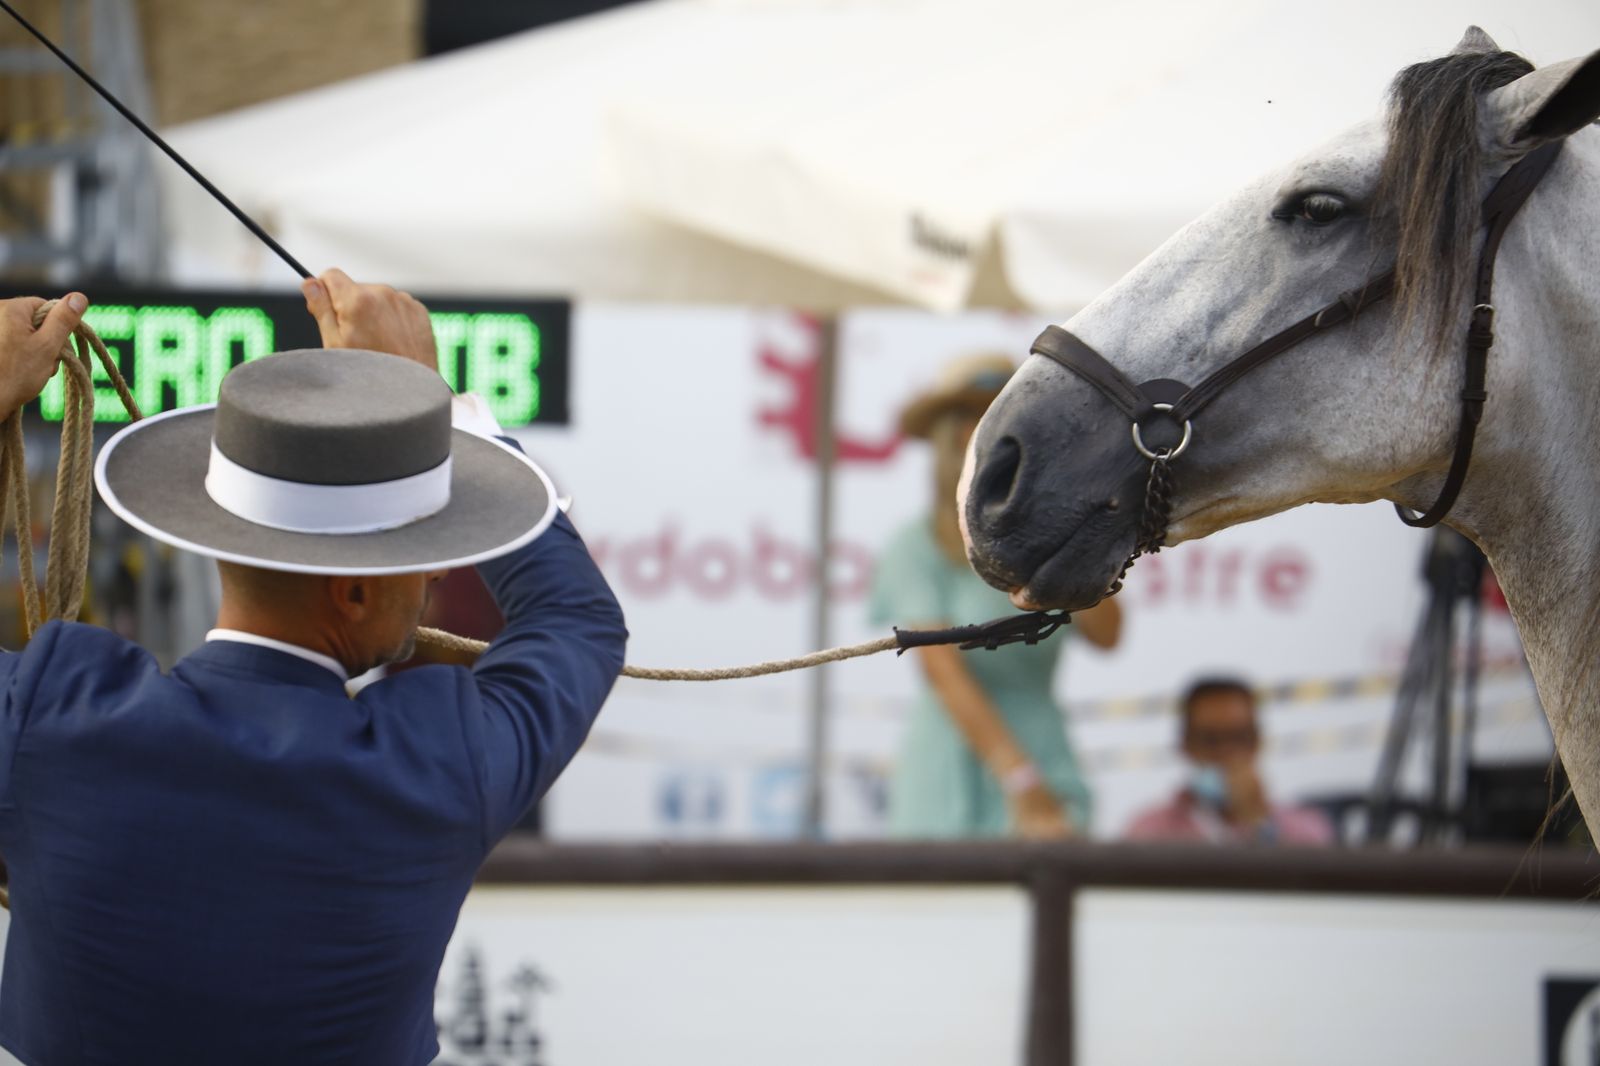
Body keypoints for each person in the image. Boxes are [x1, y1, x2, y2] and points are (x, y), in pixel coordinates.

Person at [0, 272, 626, 1063]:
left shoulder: (51, 714)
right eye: (421, 554)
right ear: (357, 593)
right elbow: (578, 619)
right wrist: (441, 407)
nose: (435, 575)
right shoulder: (439, 760)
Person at [871, 354, 1121, 839]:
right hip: (955, 762)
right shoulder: (916, 544)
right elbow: (942, 673)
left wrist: (1075, 525)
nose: (987, 433)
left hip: (1043, 744)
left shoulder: (1054, 535)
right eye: (973, 418)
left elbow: (1108, 634)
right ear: (951, 436)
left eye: (1002, 414)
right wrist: (1020, 778)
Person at [1125, 676, 1334, 845]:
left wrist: (1260, 824)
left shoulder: (1307, 831)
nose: (1226, 753)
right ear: (1185, 745)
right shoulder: (1147, 833)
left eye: (1239, 737)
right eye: (1211, 739)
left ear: (1258, 742)